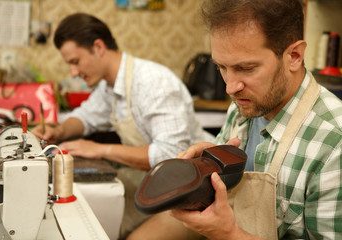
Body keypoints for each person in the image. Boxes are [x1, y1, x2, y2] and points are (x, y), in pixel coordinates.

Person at [128, 0, 342, 239]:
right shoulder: (244, 106)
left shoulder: (334, 144)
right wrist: (204, 180)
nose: (230, 87)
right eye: (222, 67)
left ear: (294, 56)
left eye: (247, 68)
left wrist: (228, 234)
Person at [31, 13, 214, 239]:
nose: (73, 73)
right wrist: (57, 131)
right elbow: (85, 117)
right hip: (159, 184)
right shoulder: (110, 87)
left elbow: (170, 156)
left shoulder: (152, 82)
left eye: (75, 62)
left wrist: (100, 149)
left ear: (98, 47)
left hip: (193, 194)